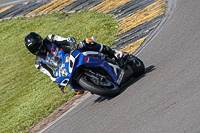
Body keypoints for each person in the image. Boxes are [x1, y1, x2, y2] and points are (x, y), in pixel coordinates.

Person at [24, 32, 125, 94]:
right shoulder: (39, 63)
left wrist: (71, 44)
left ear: (41, 40)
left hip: (73, 54)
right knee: (78, 90)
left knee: (86, 42)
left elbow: (66, 40)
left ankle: (116, 53)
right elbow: (51, 75)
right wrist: (58, 80)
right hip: (66, 68)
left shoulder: (50, 39)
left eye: (38, 45)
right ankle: (92, 84)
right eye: (34, 48)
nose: (39, 49)